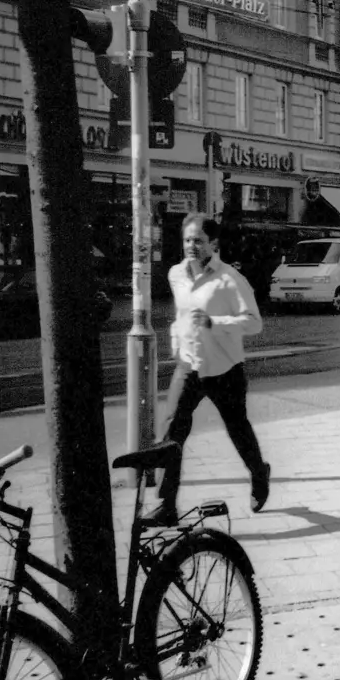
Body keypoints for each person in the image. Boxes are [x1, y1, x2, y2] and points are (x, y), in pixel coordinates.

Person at [142, 213, 271, 526]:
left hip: (224, 369)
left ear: (213, 243)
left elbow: (255, 322)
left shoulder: (230, 279)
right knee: (173, 432)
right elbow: (182, 313)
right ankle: (167, 506)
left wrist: (217, 322)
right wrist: (177, 337)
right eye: (187, 240)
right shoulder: (176, 275)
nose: (191, 246)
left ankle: (259, 472)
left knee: (238, 429)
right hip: (188, 367)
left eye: (198, 240)